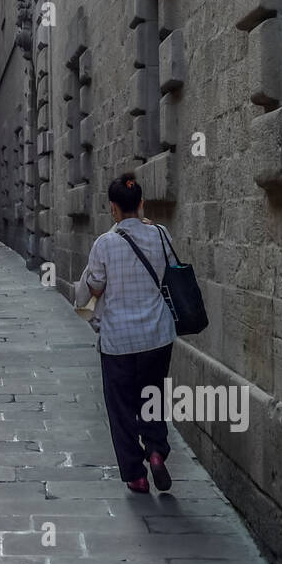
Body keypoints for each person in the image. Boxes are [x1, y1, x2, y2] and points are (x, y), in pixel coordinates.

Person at [74, 173, 177, 494]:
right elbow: (172, 274)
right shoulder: (161, 235)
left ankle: (137, 475)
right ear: (142, 203)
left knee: (120, 407)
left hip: (118, 340)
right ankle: (157, 452)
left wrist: (90, 306)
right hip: (157, 337)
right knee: (153, 396)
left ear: (113, 209)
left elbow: (93, 288)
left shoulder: (105, 243)